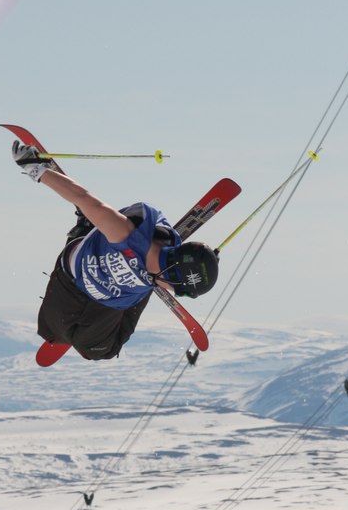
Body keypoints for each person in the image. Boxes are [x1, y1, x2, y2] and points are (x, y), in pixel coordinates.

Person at [13, 140, 219, 360]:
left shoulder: (149, 259)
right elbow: (83, 197)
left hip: (105, 297)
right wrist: (36, 169)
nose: (174, 293)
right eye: (180, 291)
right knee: (58, 332)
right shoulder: (126, 236)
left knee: (92, 348)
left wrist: (202, 260)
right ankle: (88, 227)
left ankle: (95, 232)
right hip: (73, 282)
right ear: (173, 276)